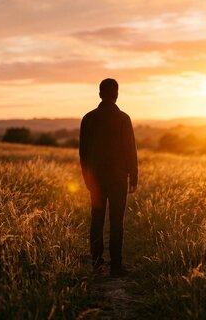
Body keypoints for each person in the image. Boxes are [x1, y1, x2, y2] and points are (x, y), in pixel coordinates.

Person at [79, 78, 138, 277]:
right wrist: (134, 176)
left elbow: (83, 152)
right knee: (116, 222)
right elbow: (131, 150)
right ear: (117, 94)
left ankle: (96, 265)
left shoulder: (88, 119)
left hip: (95, 178)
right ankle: (116, 266)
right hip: (118, 178)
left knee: (96, 220)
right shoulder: (123, 119)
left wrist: (86, 177)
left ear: (99, 94)